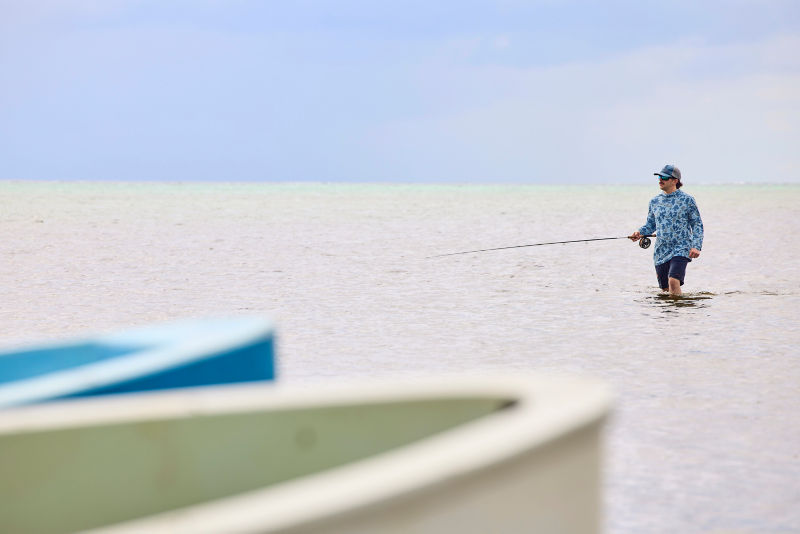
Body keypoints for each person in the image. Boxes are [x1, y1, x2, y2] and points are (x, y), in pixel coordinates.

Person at [629, 164, 704, 295]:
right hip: (661, 251)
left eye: (664, 177)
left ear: (675, 181)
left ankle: (679, 314)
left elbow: (697, 224)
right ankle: (670, 314)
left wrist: (696, 246)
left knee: (673, 282)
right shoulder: (654, 201)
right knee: (665, 291)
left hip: (681, 247)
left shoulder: (687, 200)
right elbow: (651, 225)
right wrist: (639, 233)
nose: (660, 179)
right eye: (659, 177)